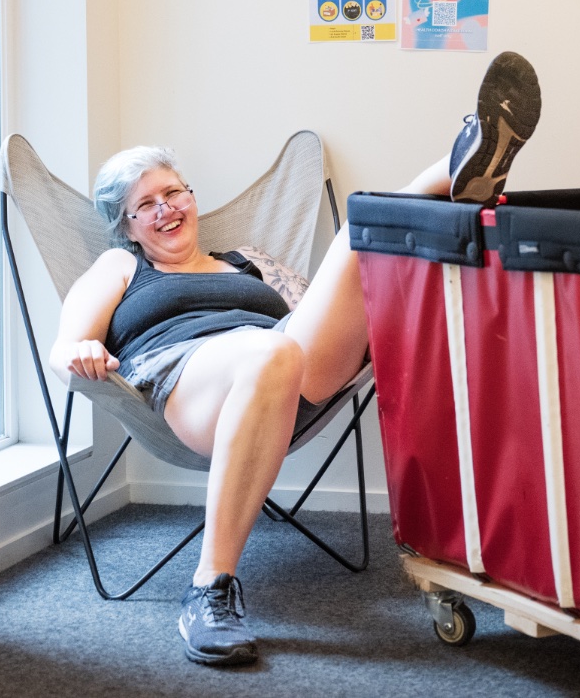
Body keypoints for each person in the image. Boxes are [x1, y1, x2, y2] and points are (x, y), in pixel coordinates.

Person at [49, 51, 542, 666]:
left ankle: (459, 168)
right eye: (146, 204)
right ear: (127, 226)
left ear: (192, 197)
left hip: (287, 363)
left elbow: (315, 316)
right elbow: (65, 344)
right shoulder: (123, 267)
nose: (166, 208)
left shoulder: (248, 260)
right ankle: (209, 589)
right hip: (187, 379)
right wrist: (85, 348)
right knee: (271, 350)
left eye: (174, 192)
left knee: (356, 233)